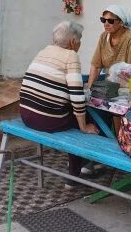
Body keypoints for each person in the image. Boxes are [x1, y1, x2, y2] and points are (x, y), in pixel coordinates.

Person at [19, 20, 97, 180]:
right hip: (46, 121)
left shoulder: (44, 51)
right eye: (80, 40)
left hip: (26, 116)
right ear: (73, 42)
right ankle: (75, 174)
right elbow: (77, 96)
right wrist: (84, 126)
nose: (80, 44)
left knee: (75, 114)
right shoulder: (71, 56)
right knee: (84, 119)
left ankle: (82, 165)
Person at [88, 5, 131, 88]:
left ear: (121, 22)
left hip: (127, 88)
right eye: (103, 20)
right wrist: (89, 89)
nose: (106, 24)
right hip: (108, 87)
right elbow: (96, 66)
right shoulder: (104, 36)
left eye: (110, 21)